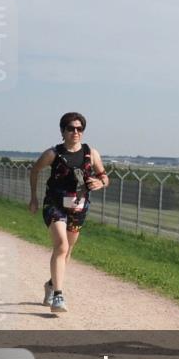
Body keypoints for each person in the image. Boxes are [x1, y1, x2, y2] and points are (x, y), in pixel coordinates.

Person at [28, 112, 108, 314]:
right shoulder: (53, 153)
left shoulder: (91, 153)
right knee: (61, 245)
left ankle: (50, 285)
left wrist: (100, 183)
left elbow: (104, 176)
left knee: (67, 251)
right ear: (62, 131)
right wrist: (34, 197)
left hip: (79, 206)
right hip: (54, 204)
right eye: (71, 128)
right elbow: (35, 170)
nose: (75, 132)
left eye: (79, 129)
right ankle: (58, 296)